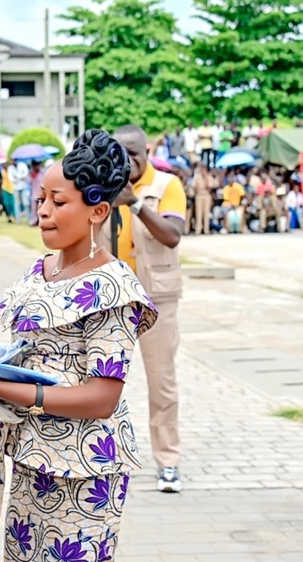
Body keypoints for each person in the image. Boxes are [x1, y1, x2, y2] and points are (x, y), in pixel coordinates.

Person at [0, 128, 157, 562]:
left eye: (58, 201)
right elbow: (26, 352)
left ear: (98, 210)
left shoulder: (113, 288)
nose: (43, 211)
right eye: (41, 199)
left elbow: (102, 398)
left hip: (83, 467)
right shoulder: (41, 270)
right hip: (31, 454)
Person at [106, 124, 187, 492]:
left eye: (134, 153)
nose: (128, 160)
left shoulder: (167, 185)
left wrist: (134, 203)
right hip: (112, 300)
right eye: (120, 153)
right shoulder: (105, 186)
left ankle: (168, 462)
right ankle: (103, 457)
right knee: (102, 382)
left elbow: (172, 236)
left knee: (162, 383)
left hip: (157, 299)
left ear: (146, 152)